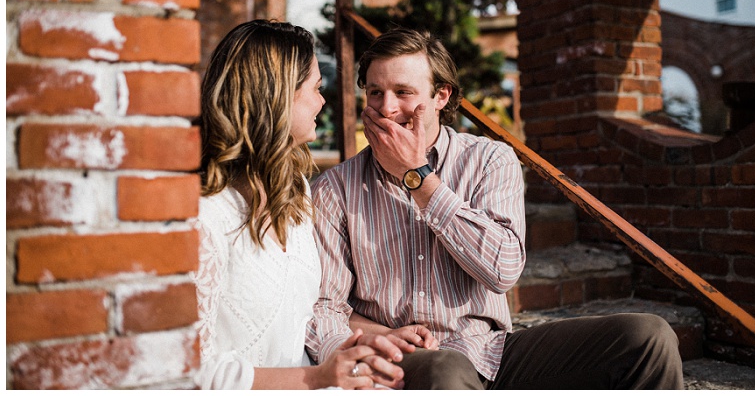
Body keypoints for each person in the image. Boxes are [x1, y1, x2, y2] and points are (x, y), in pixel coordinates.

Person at [308, 28, 684, 389]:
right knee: (445, 368)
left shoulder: (490, 160)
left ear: (441, 95)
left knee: (647, 338)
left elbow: (503, 270)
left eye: (403, 92)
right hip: (404, 361)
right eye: (376, 92)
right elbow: (323, 309)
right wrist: (383, 341)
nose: (387, 108)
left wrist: (417, 176)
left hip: (491, 352)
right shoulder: (335, 188)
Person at [193, 20, 409, 389]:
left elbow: (300, 316)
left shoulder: (296, 195)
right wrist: (314, 378)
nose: (322, 101)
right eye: (315, 88)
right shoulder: (205, 214)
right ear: (275, 96)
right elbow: (187, 371)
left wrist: (363, 340)